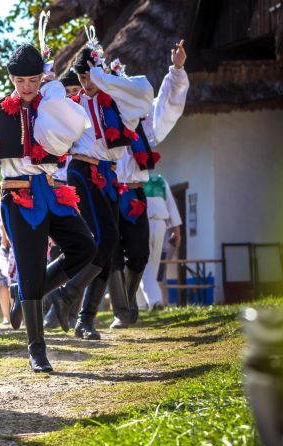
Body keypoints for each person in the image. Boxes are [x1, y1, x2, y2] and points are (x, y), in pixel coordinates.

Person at [0, 14, 96, 371]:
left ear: (40, 77)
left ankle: (32, 293)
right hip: (17, 195)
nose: (27, 86)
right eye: (20, 80)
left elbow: (74, 126)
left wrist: (55, 91)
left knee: (85, 247)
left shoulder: (52, 105)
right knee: (29, 268)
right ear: (11, 79)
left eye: (32, 79)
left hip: (53, 191)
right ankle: (36, 350)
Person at [44, 28, 154, 340]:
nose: (86, 83)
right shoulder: (73, 105)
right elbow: (51, 122)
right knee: (105, 240)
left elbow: (144, 92)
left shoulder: (119, 105)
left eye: (91, 77)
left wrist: (104, 78)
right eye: (82, 78)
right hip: (81, 171)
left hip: (109, 176)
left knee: (107, 245)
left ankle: (83, 317)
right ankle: (67, 297)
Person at [109, 41, 189, 328]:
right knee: (113, 254)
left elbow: (167, 106)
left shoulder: (144, 124)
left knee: (140, 254)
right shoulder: (103, 119)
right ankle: (123, 311)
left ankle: (131, 301)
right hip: (109, 192)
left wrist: (176, 69)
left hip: (135, 193)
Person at [139, 173, 182, 310]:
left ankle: (142, 303)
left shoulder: (159, 179)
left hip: (160, 223)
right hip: (139, 223)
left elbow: (170, 204)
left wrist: (176, 229)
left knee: (154, 263)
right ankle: (154, 300)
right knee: (143, 261)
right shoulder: (130, 177)